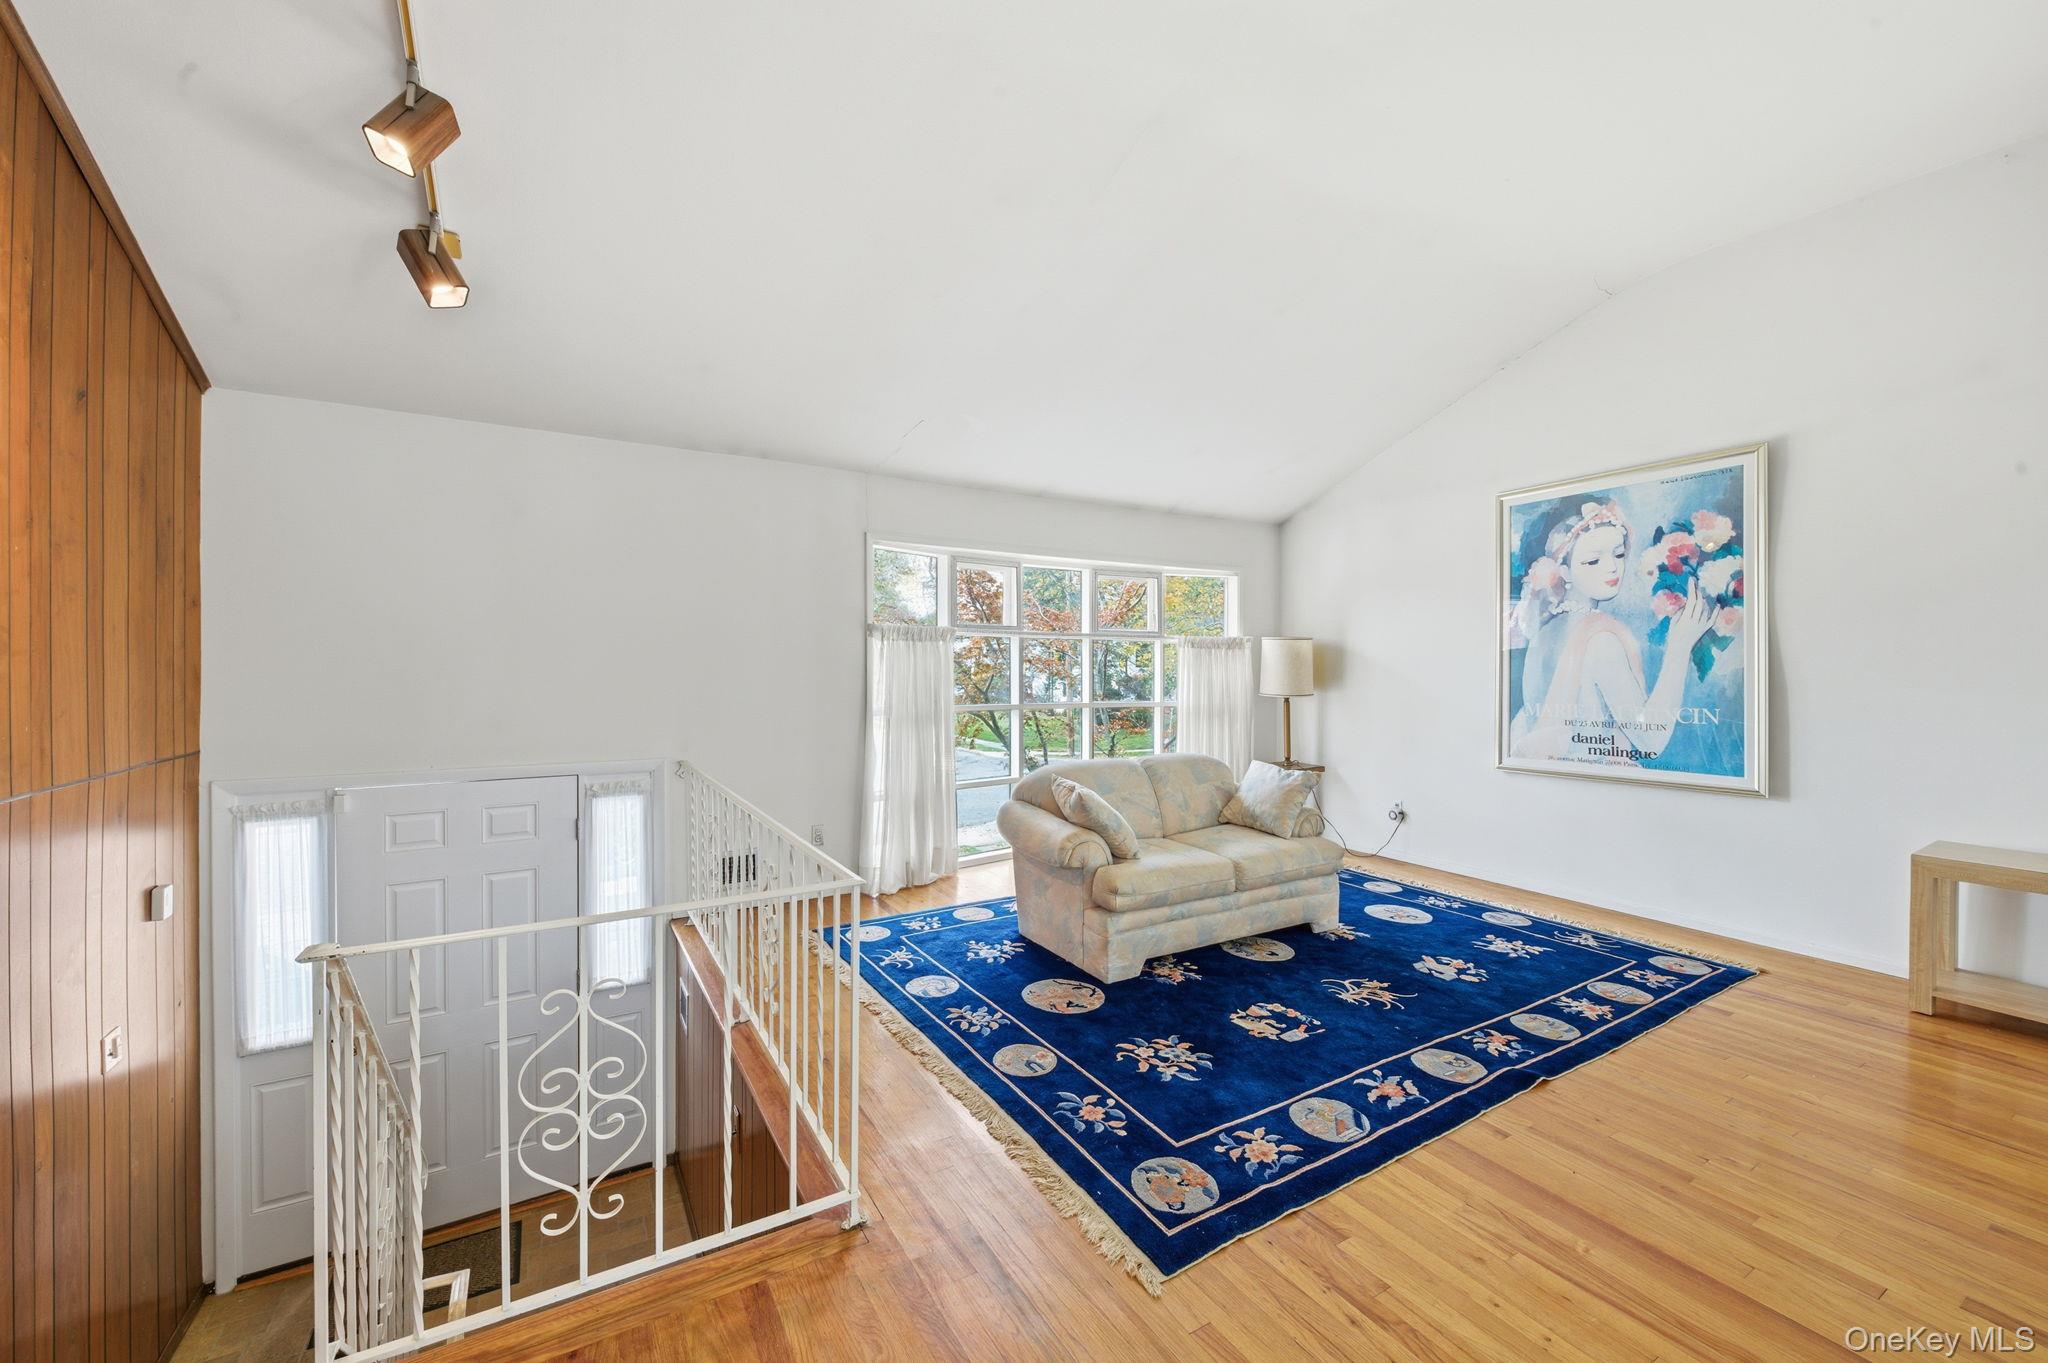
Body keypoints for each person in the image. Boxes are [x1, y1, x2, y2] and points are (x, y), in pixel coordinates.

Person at [1509, 500, 1715, 764]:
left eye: (1618, 554)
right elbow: (1651, 741)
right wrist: (1680, 647)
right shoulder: (1601, 639)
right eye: (1593, 560)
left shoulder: (1545, 632)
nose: (1612, 568)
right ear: (1564, 572)